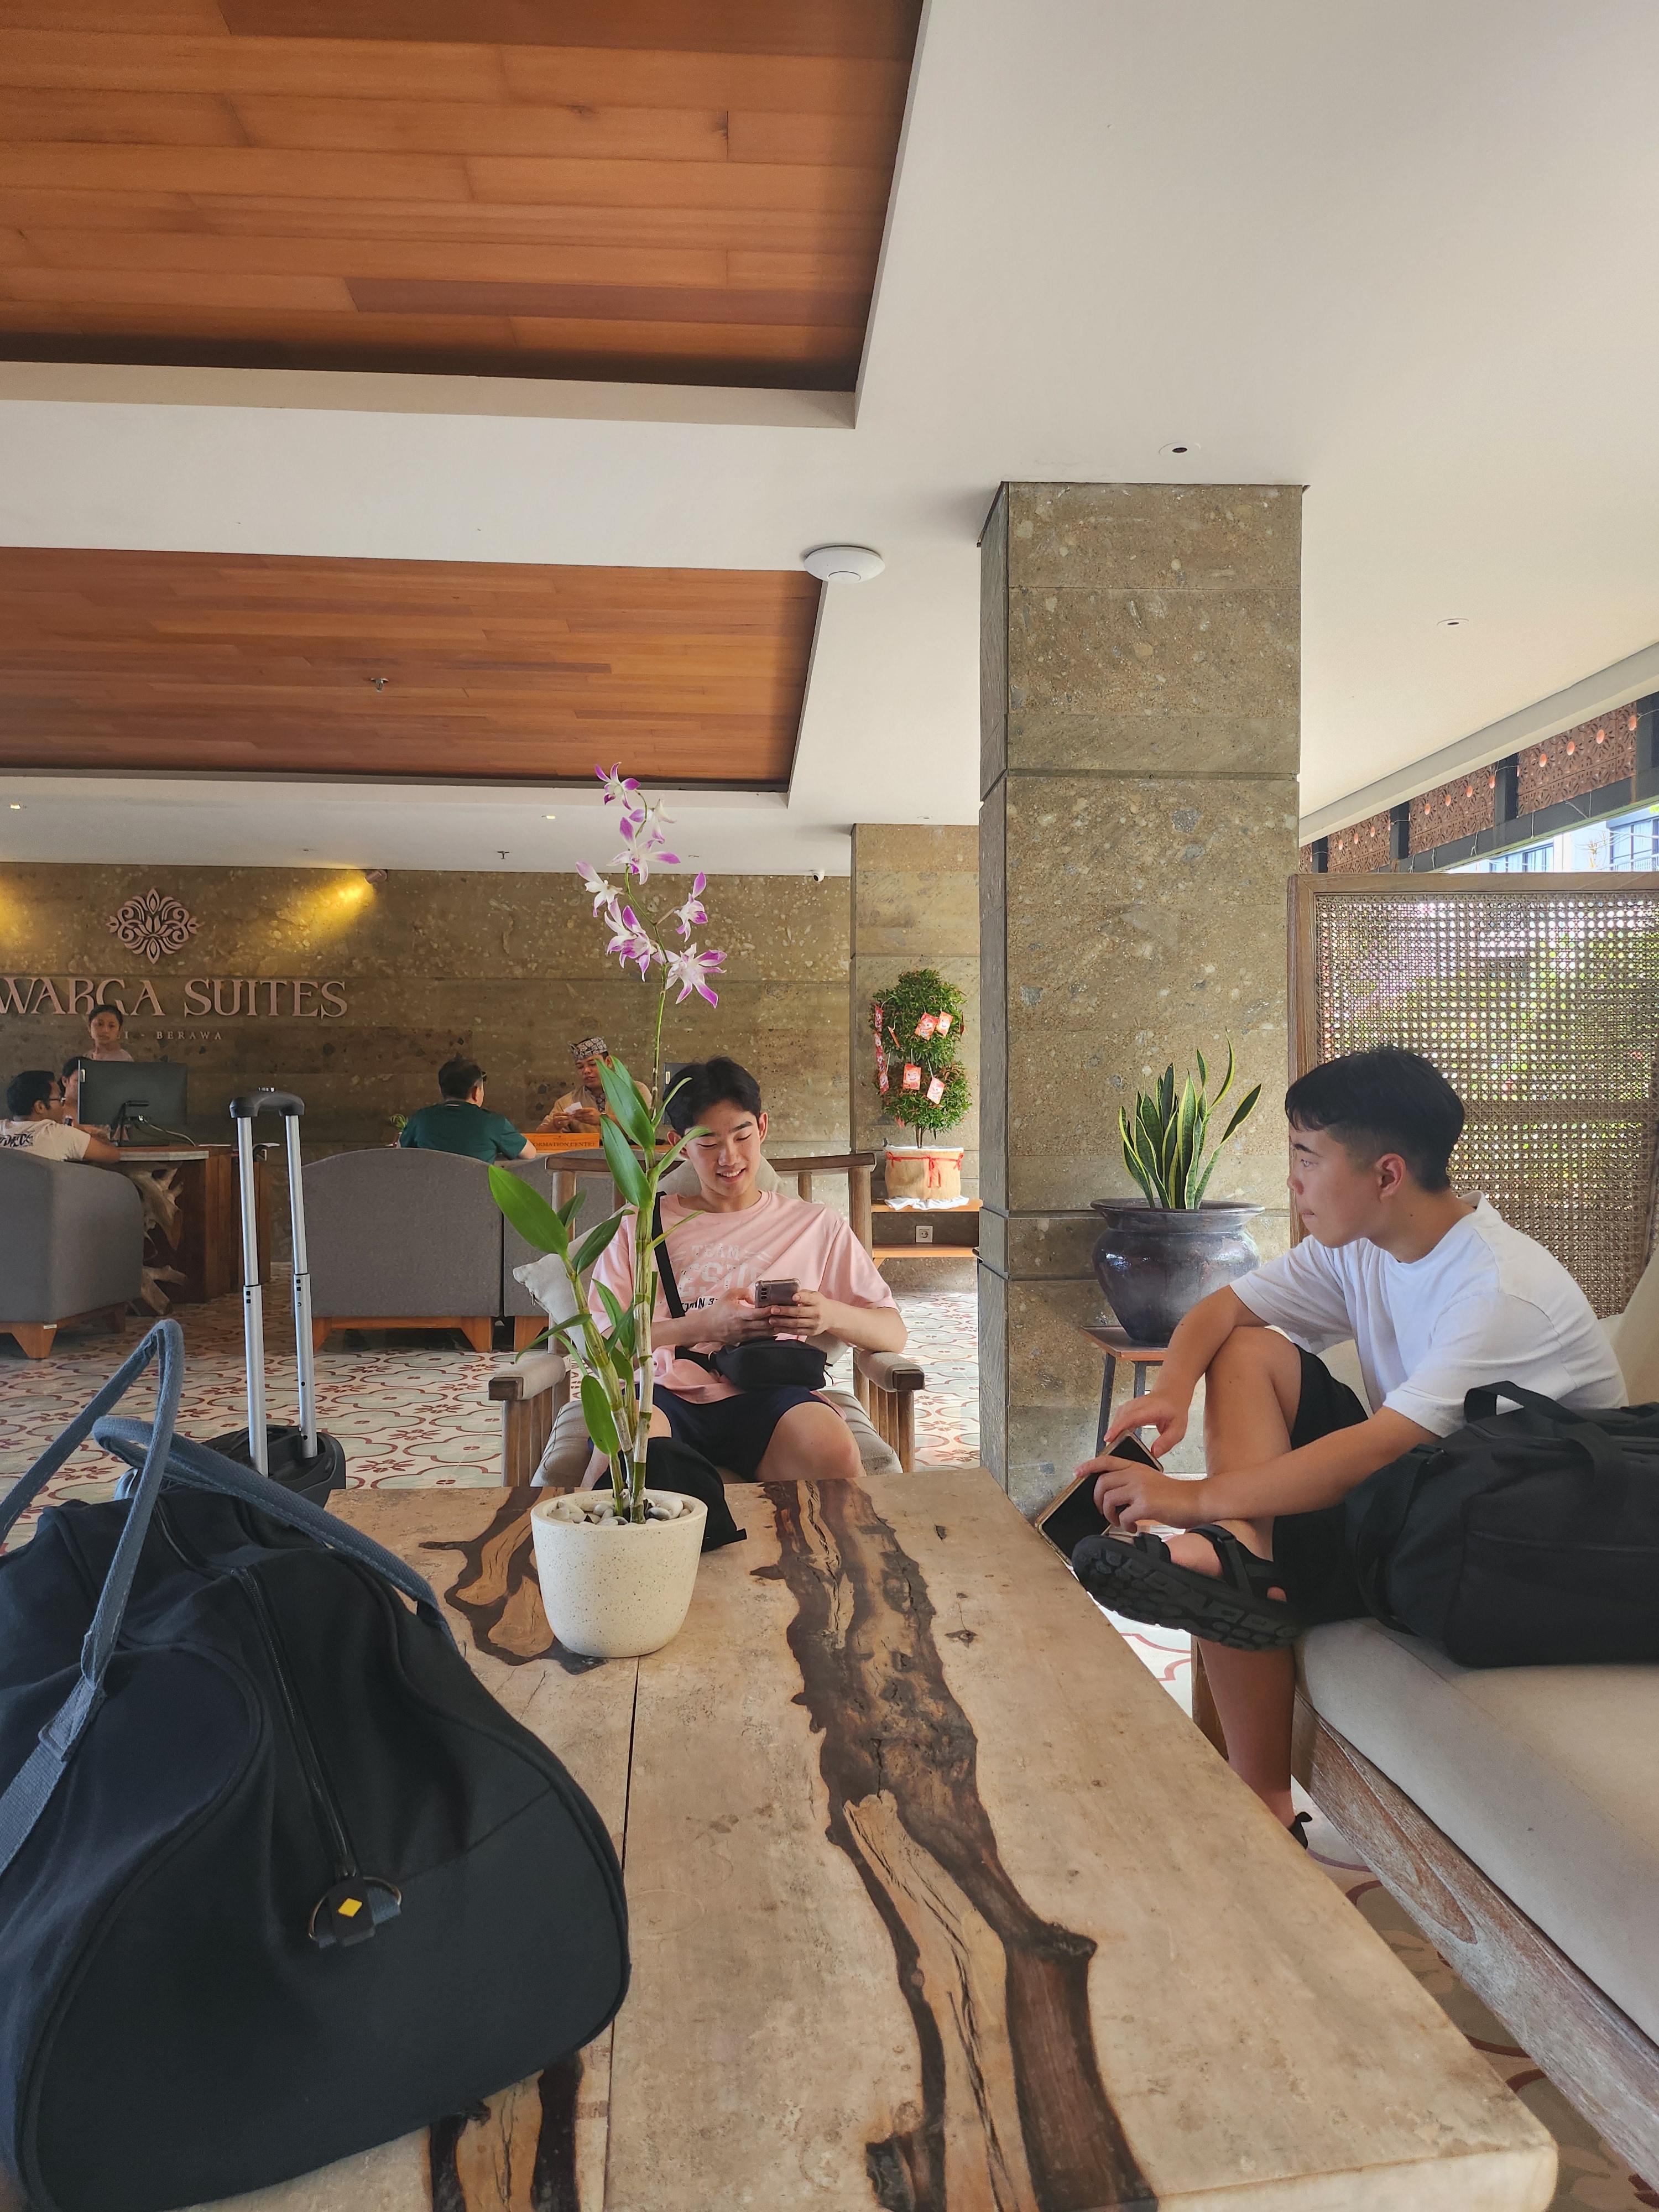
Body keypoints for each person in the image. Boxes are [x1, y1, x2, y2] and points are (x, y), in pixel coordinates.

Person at [1071, 1047, 1625, 1840]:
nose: (1292, 1179)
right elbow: (1224, 1311)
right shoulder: (1366, 1245)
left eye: (1308, 1156)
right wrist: (1172, 1390)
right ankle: (1243, 1571)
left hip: (1523, 1537)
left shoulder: (1498, 1291)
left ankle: (1238, 1560)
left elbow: (1376, 1450)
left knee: (1233, 1545)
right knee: (1247, 1354)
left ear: (1387, 1174)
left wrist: (1192, 1497)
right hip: (1435, 1492)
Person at [585, 1056, 906, 1484]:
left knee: (831, 1451)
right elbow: (599, 1346)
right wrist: (705, 1326)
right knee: (631, 1453)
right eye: (708, 1143)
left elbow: (892, 1333)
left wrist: (827, 1314)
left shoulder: (815, 1225)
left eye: (742, 1136)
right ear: (678, 1144)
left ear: (763, 1127)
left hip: (771, 1393)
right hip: (659, 1392)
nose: (730, 1158)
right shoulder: (640, 1225)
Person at [398, 1058, 536, 1162]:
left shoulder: (420, 1119)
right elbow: (530, 1154)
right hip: (479, 1192)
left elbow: (399, 1153)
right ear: (476, 1092)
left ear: (442, 1090)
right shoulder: (494, 1123)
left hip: (431, 1192)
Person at [0, 1070, 124, 1165]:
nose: (63, 1106)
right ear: (40, 1107)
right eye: (59, 1099)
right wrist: (85, 1133)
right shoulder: (57, 1133)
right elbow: (112, 1155)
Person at [538, 1035, 648, 1134]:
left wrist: (603, 1119)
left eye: (593, 1064)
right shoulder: (567, 1102)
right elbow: (539, 1136)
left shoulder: (636, 1091)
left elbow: (646, 1127)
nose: (586, 1071)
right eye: (580, 1067)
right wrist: (555, 1125)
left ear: (608, 1062)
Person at [62, 1001, 133, 1119]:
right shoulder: (86, 1057)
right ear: (89, 1028)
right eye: (99, 1024)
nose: (105, 1030)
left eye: (111, 1026)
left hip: (113, 1118)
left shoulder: (124, 1060)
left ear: (119, 1032)